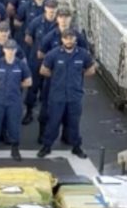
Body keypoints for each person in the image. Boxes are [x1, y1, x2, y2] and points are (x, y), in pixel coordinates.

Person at [38, 29, 97, 158]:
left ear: (75, 39)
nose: (69, 41)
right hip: (57, 95)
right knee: (53, 121)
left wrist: (79, 76)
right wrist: (56, 77)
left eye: (71, 38)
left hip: (74, 95)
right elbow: (43, 70)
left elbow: (91, 69)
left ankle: (76, 147)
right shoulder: (53, 54)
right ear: (62, 40)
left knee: (74, 122)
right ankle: (46, 146)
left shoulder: (83, 54)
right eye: (66, 38)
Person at [0, 41, 33, 160]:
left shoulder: (21, 65)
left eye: (12, 49)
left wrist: (16, 85)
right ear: (4, 50)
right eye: (8, 49)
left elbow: (29, 81)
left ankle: (15, 149)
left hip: (14, 100)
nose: (10, 51)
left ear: (16, 51)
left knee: (14, 125)